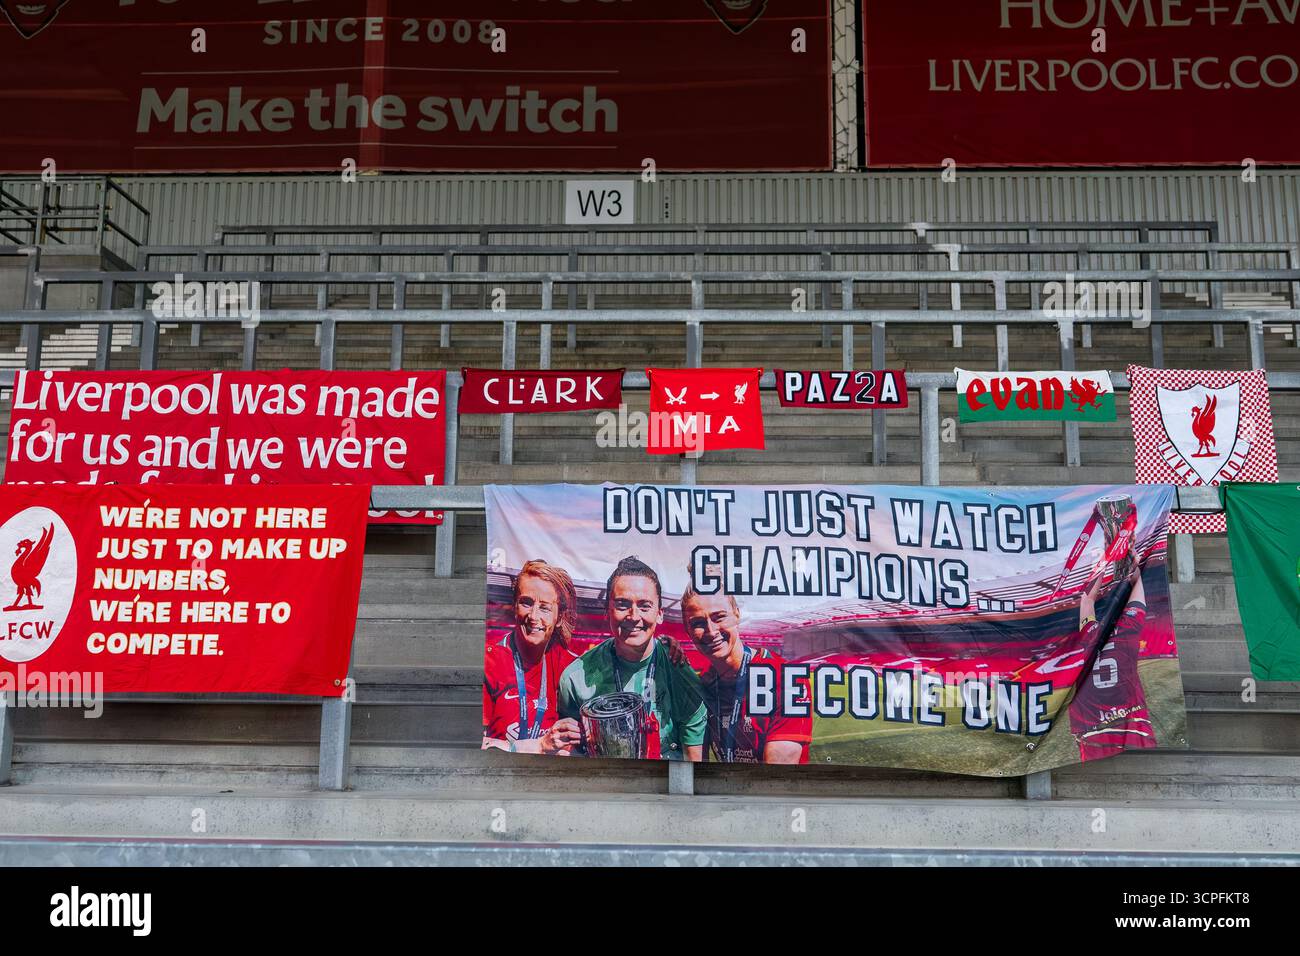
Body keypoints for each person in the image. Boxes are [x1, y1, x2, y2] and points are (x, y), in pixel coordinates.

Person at [558, 557, 706, 761]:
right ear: (607, 611)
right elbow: (571, 753)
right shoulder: (576, 678)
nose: (634, 616)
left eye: (644, 606)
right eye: (622, 605)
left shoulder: (677, 668)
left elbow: (693, 758)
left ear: (660, 614)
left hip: (666, 785)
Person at [680, 584, 811, 764]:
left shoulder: (784, 678)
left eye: (719, 617)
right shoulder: (704, 685)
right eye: (698, 623)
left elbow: (777, 777)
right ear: (687, 630)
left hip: (772, 790)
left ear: (737, 614)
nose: (711, 631)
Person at [483, 560, 585, 755]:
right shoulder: (491, 661)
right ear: (514, 607)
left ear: (559, 618)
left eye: (545, 607)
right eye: (526, 603)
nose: (533, 616)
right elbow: (473, 742)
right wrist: (538, 746)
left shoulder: (572, 667)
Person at [1068, 569, 1153, 756]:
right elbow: (1138, 598)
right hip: (1132, 726)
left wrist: (1104, 565)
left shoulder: (1087, 634)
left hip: (1092, 726)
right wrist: (1136, 574)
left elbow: (1087, 600)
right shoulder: (1127, 633)